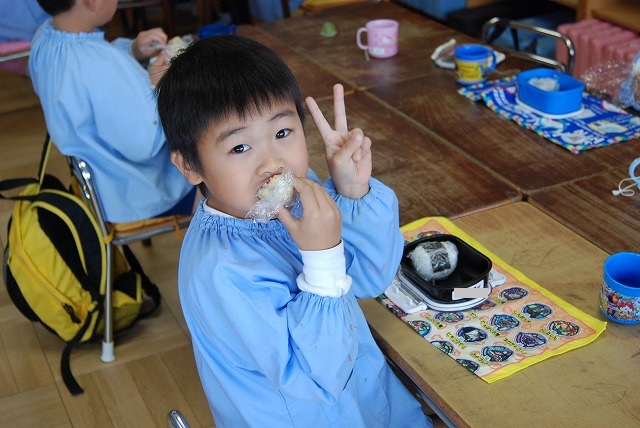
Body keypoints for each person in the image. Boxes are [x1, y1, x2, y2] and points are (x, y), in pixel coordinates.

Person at [156, 35, 435, 427]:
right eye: (239, 148)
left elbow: (370, 278)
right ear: (190, 166)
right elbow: (318, 378)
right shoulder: (220, 272)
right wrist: (322, 259)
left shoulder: (299, 195)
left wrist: (352, 191)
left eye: (282, 133)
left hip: (368, 400)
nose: (272, 162)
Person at [28, 0, 196, 223]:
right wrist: (157, 84)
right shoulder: (96, 64)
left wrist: (133, 50)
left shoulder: (45, 37)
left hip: (102, 184)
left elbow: (99, 74)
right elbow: (144, 144)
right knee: (220, 179)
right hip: (142, 191)